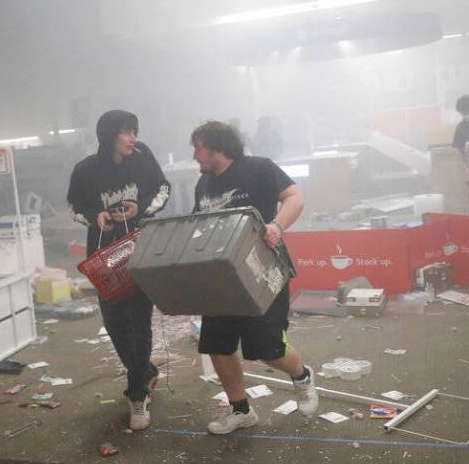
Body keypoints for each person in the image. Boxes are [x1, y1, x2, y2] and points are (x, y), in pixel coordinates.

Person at [190, 121, 318, 434]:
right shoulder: (203, 185)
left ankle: (302, 376)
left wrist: (276, 226)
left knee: (268, 349)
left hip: (263, 272)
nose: (194, 156)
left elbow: (295, 199)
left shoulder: (259, 168)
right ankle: (241, 410)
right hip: (221, 277)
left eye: (198, 147)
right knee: (218, 345)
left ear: (217, 147)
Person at [67, 110, 171, 430]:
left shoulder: (143, 158)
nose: (132, 138)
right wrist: (96, 216)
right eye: (125, 132)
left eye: (134, 131)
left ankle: (137, 394)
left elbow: (162, 189)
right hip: (103, 258)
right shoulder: (86, 169)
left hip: (139, 251)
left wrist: (142, 208)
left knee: (140, 321)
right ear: (108, 135)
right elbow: (74, 206)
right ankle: (146, 372)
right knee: (115, 323)